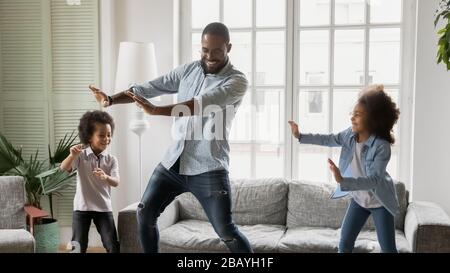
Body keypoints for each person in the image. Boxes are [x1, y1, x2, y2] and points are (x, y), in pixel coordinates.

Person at [88, 22, 253, 253]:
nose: (210, 56)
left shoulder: (236, 81)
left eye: (217, 51)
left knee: (226, 231)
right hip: (173, 163)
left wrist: (155, 111)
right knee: (144, 214)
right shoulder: (188, 70)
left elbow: (200, 104)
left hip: (209, 167)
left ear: (229, 48)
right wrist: (111, 100)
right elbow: (147, 88)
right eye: (205, 50)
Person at [288, 84, 401, 253]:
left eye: (358, 115)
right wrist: (300, 136)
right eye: (352, 114)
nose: (352, 118)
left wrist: (343, 181)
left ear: (373, 118)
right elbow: (329, 139)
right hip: (359, 200)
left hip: (380, 202)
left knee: (389, 249)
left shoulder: (381, 146)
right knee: (345, 242)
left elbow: (374, 180)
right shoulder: (349, 135)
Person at [60, 110, 120, 253]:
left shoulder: (111, 160)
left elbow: (116, 182)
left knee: (112, 245)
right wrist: (71, 156)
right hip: (82, 208)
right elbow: (63, 168)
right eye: (101, 135)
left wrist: (106, 177)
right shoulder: (80, 155)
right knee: (78, 246)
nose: (106, 138)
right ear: (89, 137)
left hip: (104, 207)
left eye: (109, 135)